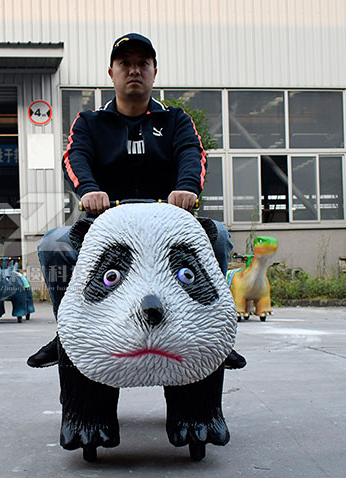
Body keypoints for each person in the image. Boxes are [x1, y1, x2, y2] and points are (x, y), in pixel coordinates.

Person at [27, 32, 246, 369]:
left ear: (154, 72)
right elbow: (75, 157)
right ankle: (68, 331)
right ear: (111, 72)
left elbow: (193, 154)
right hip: (104, 223)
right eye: (125, 63)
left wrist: (187, 187)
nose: (134, 70)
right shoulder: (89, 122)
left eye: (142, 63)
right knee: (53, 244)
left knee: (217, 235)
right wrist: (88, 190)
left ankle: (213, 330)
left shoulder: (176, 120)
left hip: (171, 222)